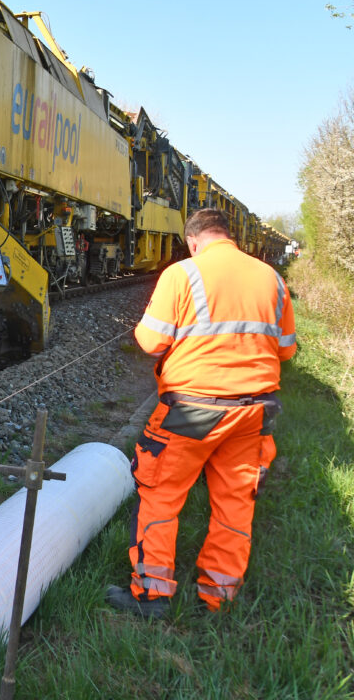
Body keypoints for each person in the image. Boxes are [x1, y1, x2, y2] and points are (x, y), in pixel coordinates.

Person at [106, 208, 296, 618]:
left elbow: (152, 342)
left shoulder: (183, 273)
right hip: (254, 412)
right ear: (229, 236)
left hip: (193, 410)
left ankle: (153, 597)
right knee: (235, 501)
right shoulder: (272, 278)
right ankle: (218, 599)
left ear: (194, 241)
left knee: (161, 494)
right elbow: (286, 349)